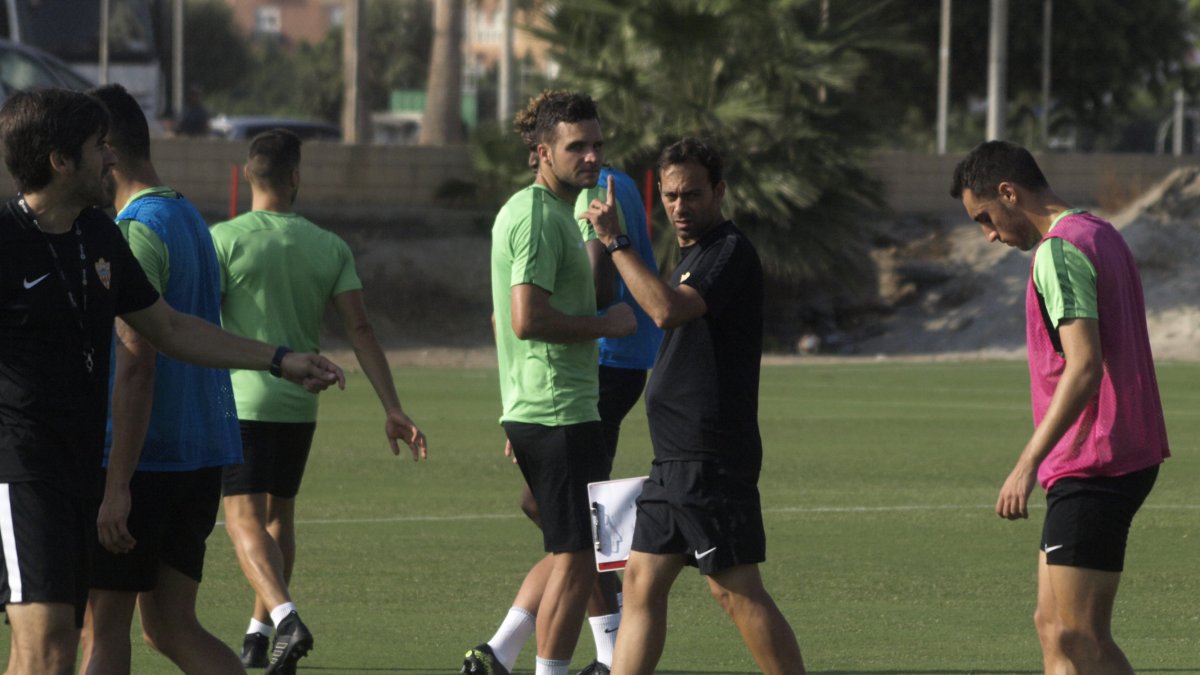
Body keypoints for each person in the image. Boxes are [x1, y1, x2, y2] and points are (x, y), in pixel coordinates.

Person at [0, 88, 342, 675]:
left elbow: (169, 328)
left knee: (53, 643)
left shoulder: (101, 237)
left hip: (84, 466)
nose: (111, 158)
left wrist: (278, 358)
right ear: (59, 161)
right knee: (51, 643)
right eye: (96, 147)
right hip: (24, 469)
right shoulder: (5, 238)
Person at [583, 138, 807, 675]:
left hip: (710, 456)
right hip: (672, 460)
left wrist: (615, 242)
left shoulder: (729, 251)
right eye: (670, 196)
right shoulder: (692, 255)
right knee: (638, 584)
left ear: (719, 192)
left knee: (735, 592)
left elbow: (664, 310)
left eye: (692, 195)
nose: (680, 207)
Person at [211, 128, 427, 674]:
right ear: (296, 177)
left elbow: (201, 323)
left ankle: (284, 618)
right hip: (300, 404)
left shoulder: (224, 240)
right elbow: (360, 328)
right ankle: (258, 635)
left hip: (241, 400)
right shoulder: (329, 245)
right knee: (279, 514)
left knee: (240, 519)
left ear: (246, 176)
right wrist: (392, 407)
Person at [950, 140, 1168, 674]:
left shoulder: (1059, 250)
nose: (991, 234)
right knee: (1053, 628)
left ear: (1009, 193)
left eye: (985, 218)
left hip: (1097, 460)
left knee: (1081, 636)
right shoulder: (1101, 232)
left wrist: (1024, 465)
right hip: (1109, 455)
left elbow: (1084, 365)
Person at [462, 94, 661, 675]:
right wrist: (607, 326)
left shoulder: (568, 210)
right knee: (580, 559)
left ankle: (512, 652)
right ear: (542, 152)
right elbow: (525, 318)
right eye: (578, 146)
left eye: (598, 143)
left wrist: (606, 237)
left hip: (558, 406)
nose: (593, 155)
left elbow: (589, 295)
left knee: (576, 550)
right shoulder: (533, 216)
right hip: (557, 410)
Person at [76, 83, 246, 675]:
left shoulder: (135, 229)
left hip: (140, 462)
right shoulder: (188, 215)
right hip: (197, 457)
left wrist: (116, 483)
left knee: (103, 628)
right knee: (171, 626)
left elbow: (138, 360)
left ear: (107, 151)